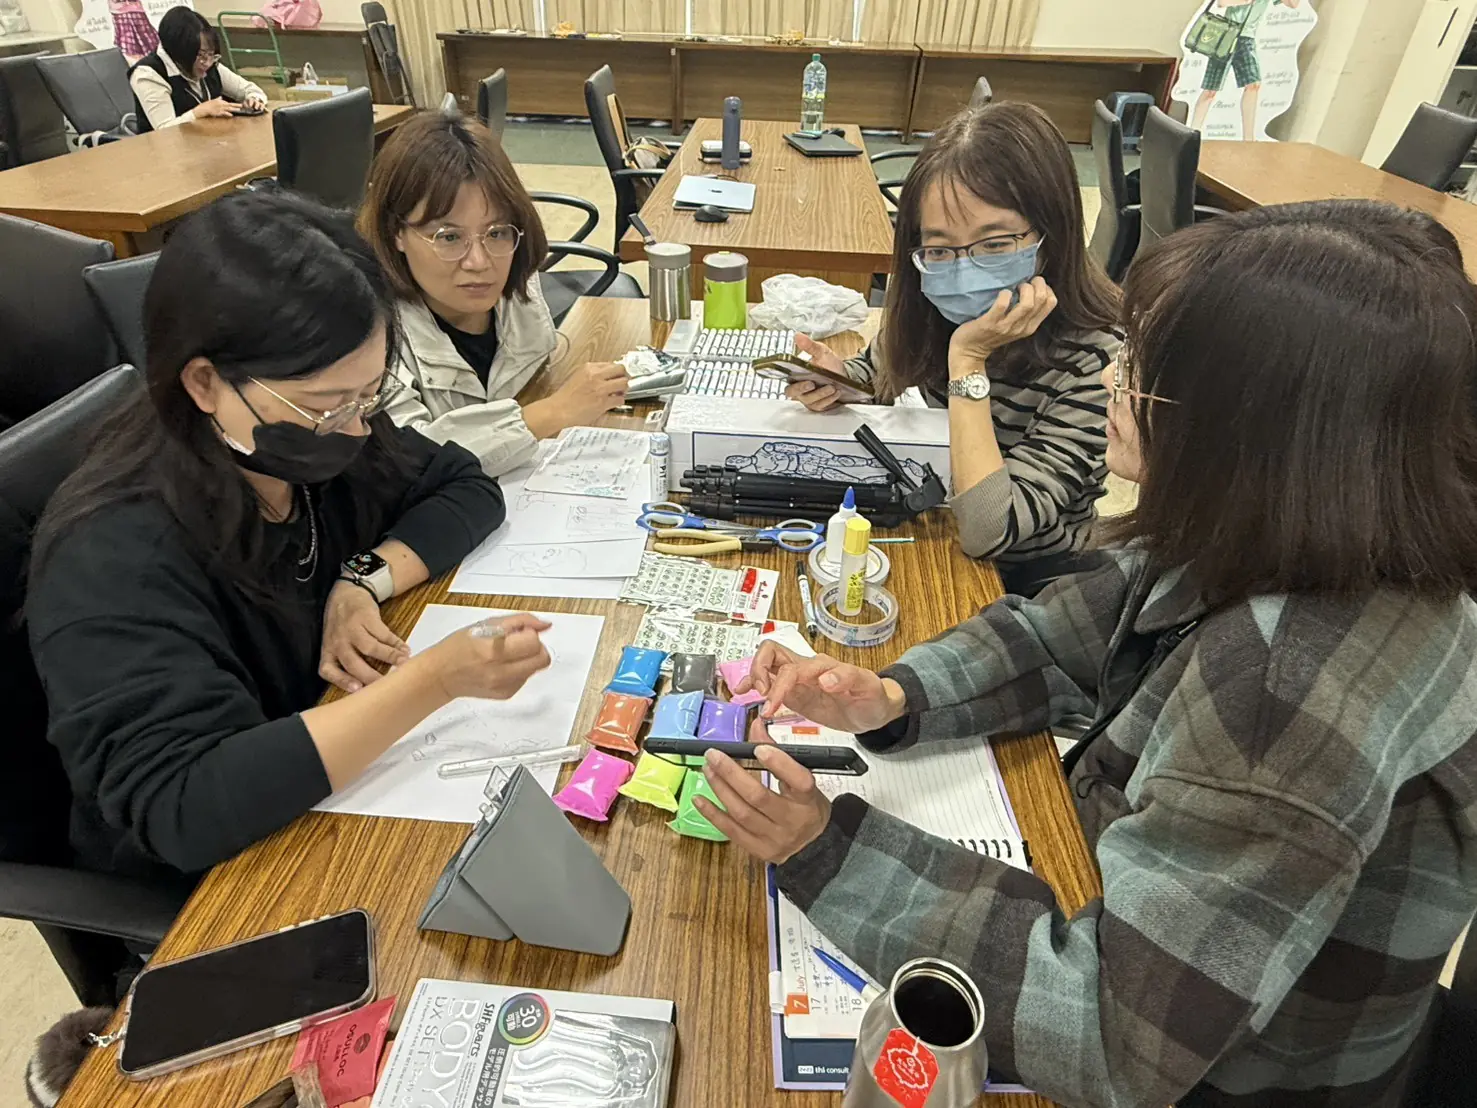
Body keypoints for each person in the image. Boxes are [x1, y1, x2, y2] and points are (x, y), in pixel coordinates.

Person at [697, 200, 1477, 1106]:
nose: (1113, 377)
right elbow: (1060, 634)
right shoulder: (1293, 530)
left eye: (1144, 369)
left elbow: (1116, 1035)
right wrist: (894, 695)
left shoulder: (1287, 687)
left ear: (1252, 428)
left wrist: (825, 850)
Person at [27, 191, 553, 890]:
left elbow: (462, 483)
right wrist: (434, 681)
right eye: (326, 405)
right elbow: (183, 804)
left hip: (331, 794)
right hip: (221, 881)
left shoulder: (310, 439)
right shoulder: (115, 552)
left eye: (369, 395)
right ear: (205, 382)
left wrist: (361, 579)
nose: (358, 428)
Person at [788, 103, 1122, 597]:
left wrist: (968, 361)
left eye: (995, 244)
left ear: (1052, 235)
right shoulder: (935, 303)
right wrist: (842, 382)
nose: (964, 270)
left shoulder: (1098, 361)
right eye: (941, 248)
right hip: (932, 524)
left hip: (1024, 583)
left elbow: (991, 529)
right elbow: (880, 372)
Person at [359, 111, 628, 477]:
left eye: (497, 232)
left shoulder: (514, 275)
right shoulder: (369, 332)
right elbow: (408, 462)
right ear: (397, 233)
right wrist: (553, 412)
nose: (479, 262)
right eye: (449, 237)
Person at [127, 6, 267, 133]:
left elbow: (250, 90)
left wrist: (254, 100)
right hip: (163, 150)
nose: (207, 63)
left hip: (209, 141)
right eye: (200, 55)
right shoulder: (149, 74)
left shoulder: (210, 63)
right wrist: (198, 112)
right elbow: (164, 130)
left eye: (211, 54)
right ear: (179, 52)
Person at [1190, 0, 1304, 138]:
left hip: (1247, 39)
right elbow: (1222, 3)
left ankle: (1248, 138)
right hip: (1227, 34)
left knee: (1253, 85)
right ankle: (1193, 133)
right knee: (1210, 90)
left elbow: (1293, 4)